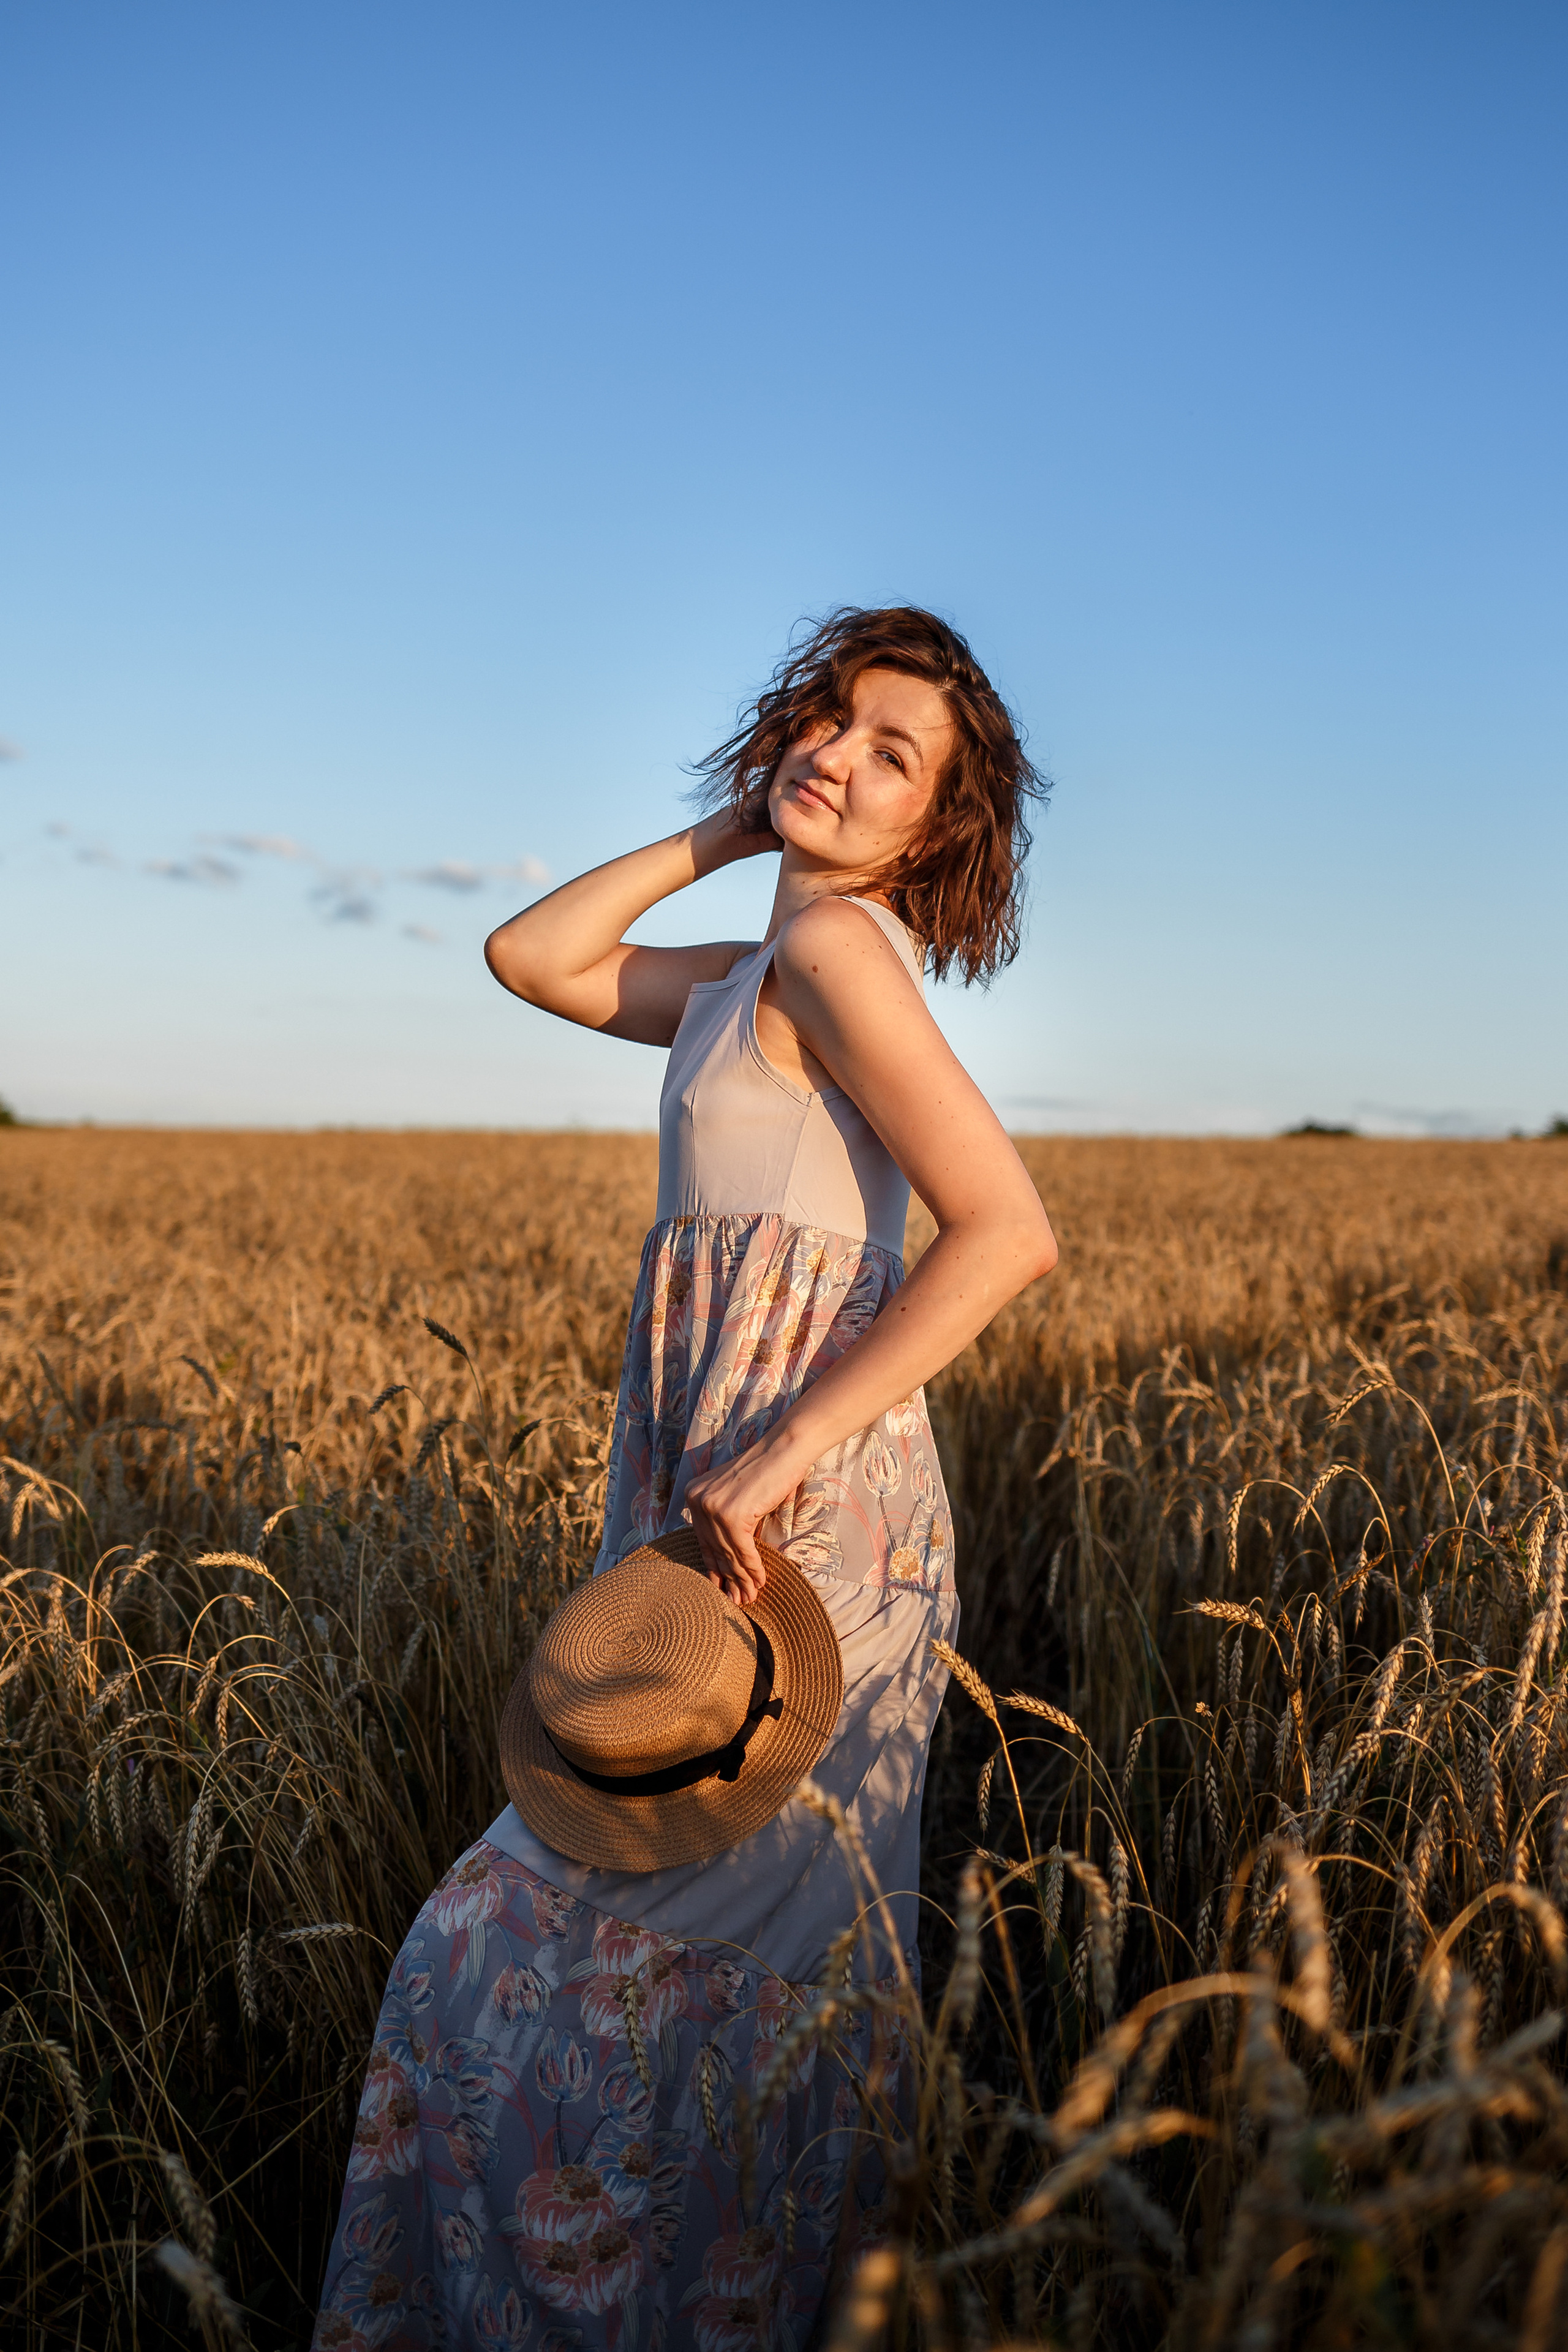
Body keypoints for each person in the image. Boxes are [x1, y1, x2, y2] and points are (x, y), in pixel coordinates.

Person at [314, 607, 1057, 2351]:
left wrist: (787, 1444)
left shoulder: (840, 961)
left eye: (895, 759)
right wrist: (733, 829)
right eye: (828, 720)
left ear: (937, 827)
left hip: (801, 1514)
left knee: (506, 1947)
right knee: (681, 1963)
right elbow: (532, 953)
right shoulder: (754, 967)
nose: (842, 759)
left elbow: (1008, 1231)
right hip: (722, 1487)